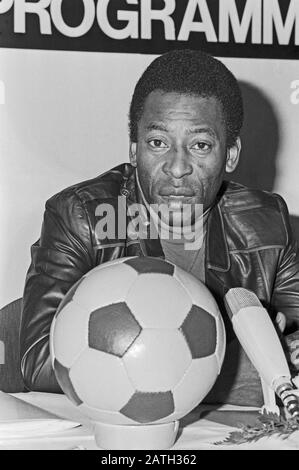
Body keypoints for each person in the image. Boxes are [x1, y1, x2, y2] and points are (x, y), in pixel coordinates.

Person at [20, 49, 299, 405]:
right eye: (158, 143)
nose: (177, 167)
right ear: (134, 150)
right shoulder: (83, 217)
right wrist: (231, 371)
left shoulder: (266, 222)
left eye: (200, 145)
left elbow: (293, 336)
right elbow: (39, 359)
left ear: (230, 154)